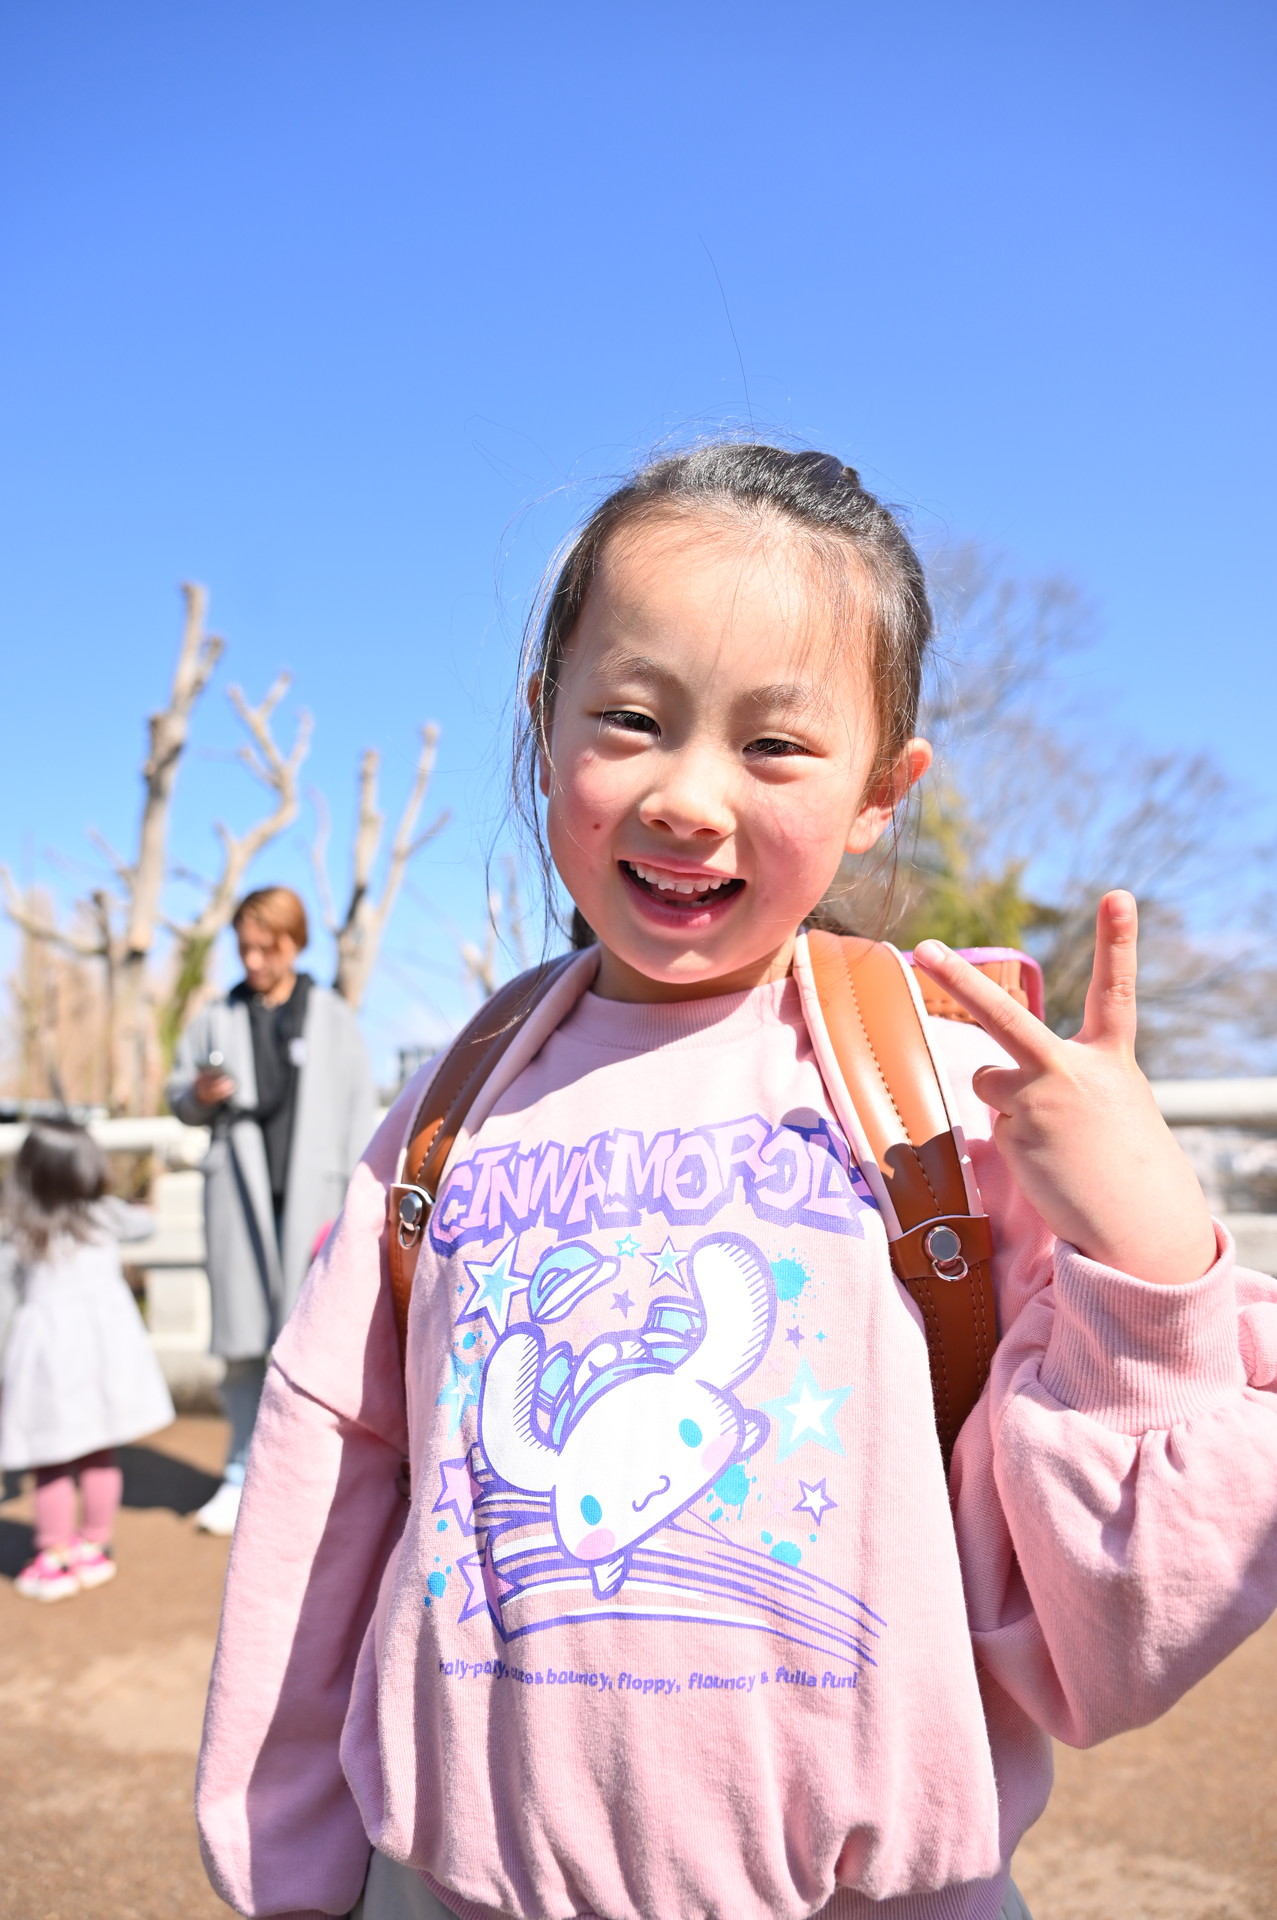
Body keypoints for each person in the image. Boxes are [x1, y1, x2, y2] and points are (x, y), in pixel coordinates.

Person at [195, 446, 1277, 1920]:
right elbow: (327, 1486)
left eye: (773, 745)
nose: (688, 797)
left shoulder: (946, 1098)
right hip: (450, 1889)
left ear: (881, 791)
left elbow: (1118, 1625)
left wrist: (1145, 1238)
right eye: (631, 721)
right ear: (546, 726)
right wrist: (294, 1874)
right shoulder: (454, 1105)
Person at [168, 885, 375, 1535]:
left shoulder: (331, 1016)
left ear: (295, 943)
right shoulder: (216, 1016)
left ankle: (307, 1482)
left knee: (314, 1341)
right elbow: (179, 1097)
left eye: (268, 948)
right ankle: (239, 1473)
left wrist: (355, 1203)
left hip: (317, 1202)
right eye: (246, 949)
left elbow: (358, 1111)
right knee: (240, 1342)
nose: (255, 961)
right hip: (239, 1197)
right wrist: (199, 1095)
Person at [1, 1118, 175, 1601]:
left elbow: (5, 1306)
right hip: (104, 1358)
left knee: (50, 1458)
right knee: (100, 1452)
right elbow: (147, 1224)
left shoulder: (19, 1230)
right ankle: (95, 1546)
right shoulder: (106, 1216)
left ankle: (54, 1553)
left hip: (48, 1364)